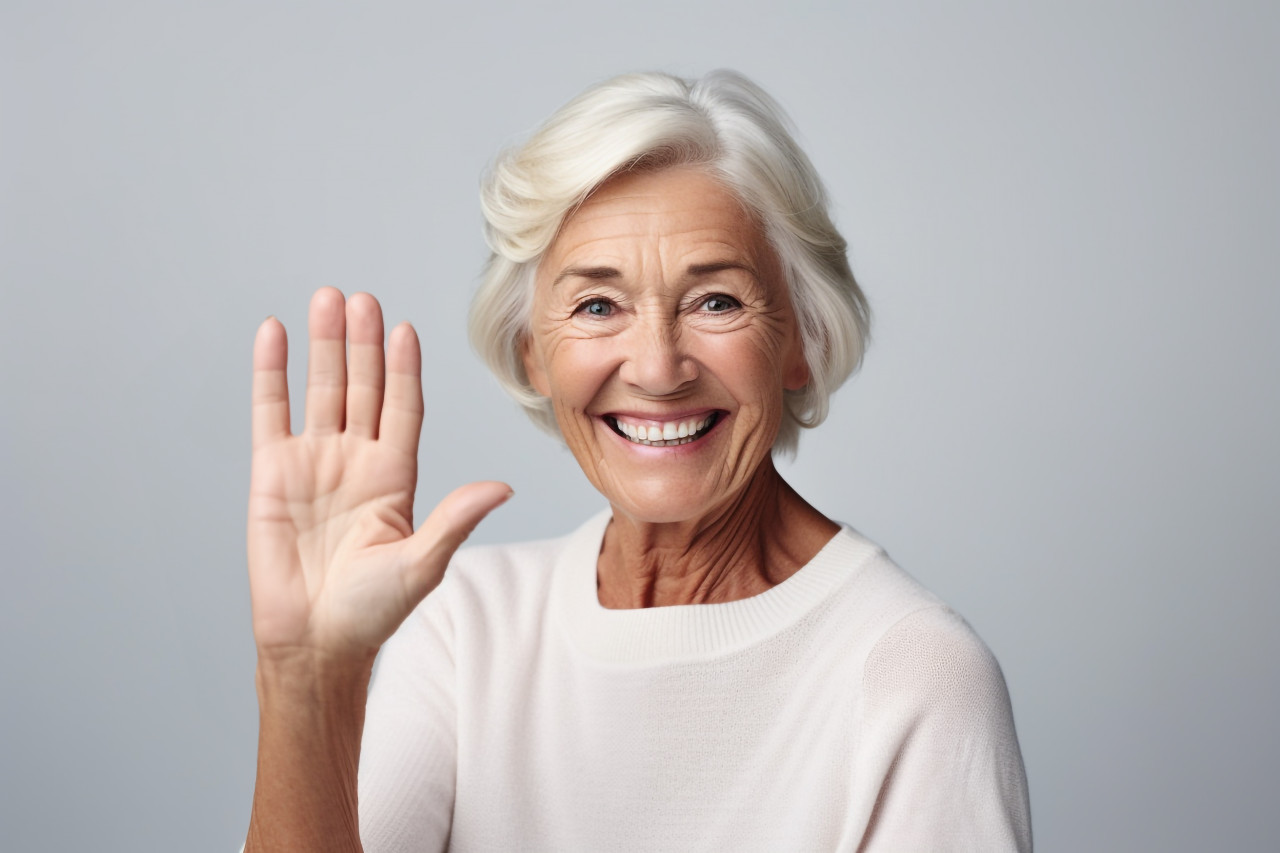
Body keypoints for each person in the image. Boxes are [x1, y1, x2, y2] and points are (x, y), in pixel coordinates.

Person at [242, 70, 1032, 852]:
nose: (658, 368)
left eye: (715, 300)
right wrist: (307, 679)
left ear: (800, 340)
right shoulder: (464, 629)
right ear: (533, 355)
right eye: (597, 306)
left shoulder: (910, 672)